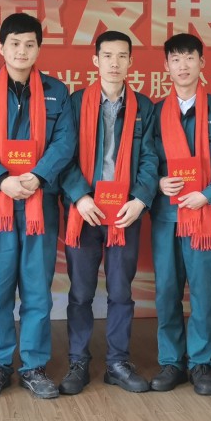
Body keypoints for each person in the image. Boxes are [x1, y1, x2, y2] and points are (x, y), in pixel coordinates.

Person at [0, 13, 75, 400]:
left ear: (39, 48)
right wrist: (1, 179)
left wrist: (38, 176)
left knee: (37, 290)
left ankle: (33, 366)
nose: (22, 51)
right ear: (1, 47)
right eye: (14, 44)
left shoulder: (57, 91)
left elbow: (65, 142)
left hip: (39, 203)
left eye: (29, 44)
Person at [58, 31, 158, 395]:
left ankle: (117, 362)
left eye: (122, 56)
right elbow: (62, 155)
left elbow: (150, 158)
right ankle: (78, 361)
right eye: (107, 56)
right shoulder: (74, 103)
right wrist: (79, 197)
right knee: (81, 292)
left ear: (131, 61)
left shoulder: (143, 106)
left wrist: (140, 199)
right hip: (84, 212)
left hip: (124, 213)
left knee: (120, 290)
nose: (114, 63)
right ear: (95, 60)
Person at [149, 33, 211, 396]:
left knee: (204, 293)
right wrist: (158, 182)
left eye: (190, 58)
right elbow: (146, 158)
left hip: (206, 217)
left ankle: (201, 362)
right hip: (167, 217)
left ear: (202, 63)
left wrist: (208, 195)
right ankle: (171, 362)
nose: (183, 66)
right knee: (167, 292)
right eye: (175, 59)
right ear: (166, 66)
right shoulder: (156, 112)